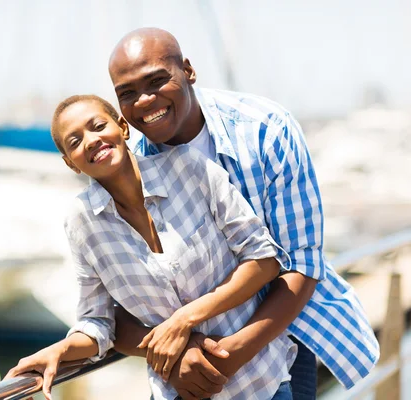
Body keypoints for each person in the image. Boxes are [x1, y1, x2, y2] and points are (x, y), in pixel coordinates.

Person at [107, 27, 379, 400]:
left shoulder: (266, 129)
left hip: (283, 330)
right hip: (187, 358)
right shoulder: (129, 168)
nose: (144, 100)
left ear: (188, 71)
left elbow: (301, 263)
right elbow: (114, 303)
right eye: (127, 93)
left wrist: (232, 355)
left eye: (157, 80)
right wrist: (180, 353)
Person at [5, 94, 298, 400]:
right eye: (75, 141)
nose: (90, 141)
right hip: (178, 390)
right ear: (70, 163)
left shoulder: (189, 167)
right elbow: (99, 321)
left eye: (98, 126)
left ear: (122, 127)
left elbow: (263, 259)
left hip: (260, 382)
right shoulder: (81, 223)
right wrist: (61, 350)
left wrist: (183, 320)